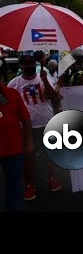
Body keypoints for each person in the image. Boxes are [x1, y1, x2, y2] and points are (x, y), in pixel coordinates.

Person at [7, 55, 62, 200]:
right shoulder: (14, 83)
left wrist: (44, 80)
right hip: (27, 125)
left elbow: (54, 97)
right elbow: (8, 104)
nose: (30, 69)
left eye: (32, 66)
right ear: (21, 67)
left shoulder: (45, 77)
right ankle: (29, 185)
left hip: (46, 121)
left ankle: (51, 178)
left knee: (50, 154)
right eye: (26, 67)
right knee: (28, 156)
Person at [0, 84, 33, 211]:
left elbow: (26, 119)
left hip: (13, 150)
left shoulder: (12, 93)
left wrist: (29, 143)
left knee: (14, 189)